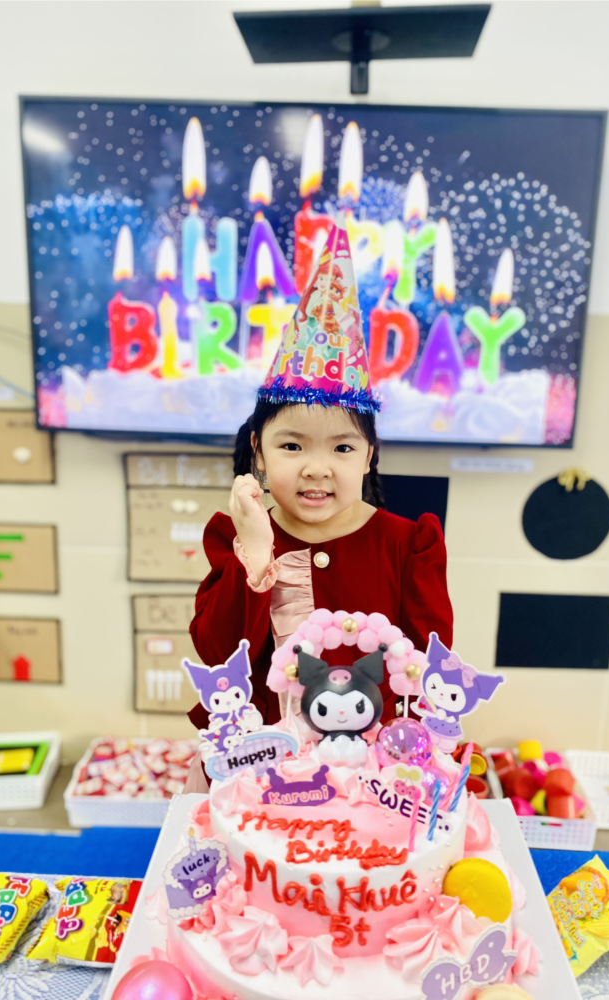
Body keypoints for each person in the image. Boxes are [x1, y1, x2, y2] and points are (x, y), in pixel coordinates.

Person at [187, 221, 453, 742]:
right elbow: (218, 657)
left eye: (342, 448)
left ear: (369, 456)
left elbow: (429, 673)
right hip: (263, 763)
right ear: (258, 451)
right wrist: (256, 553)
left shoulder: (409, 545)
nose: (316, 467)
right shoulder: (234, 540)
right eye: (291, 446)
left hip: (375, 769)